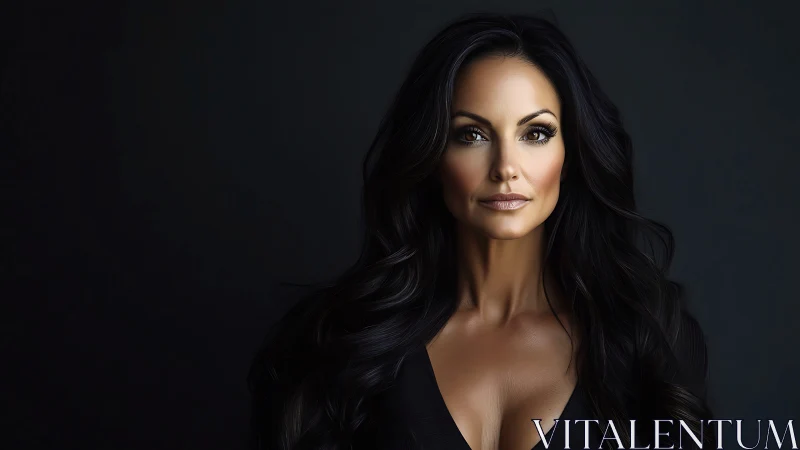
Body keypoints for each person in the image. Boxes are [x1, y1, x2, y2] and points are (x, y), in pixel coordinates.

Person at [248, 12, 714, 450]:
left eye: (536, 134)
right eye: (471, 135)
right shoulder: (339, 340)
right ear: (431, 156)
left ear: (570, 156)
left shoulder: (645, 336)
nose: (506, 168)